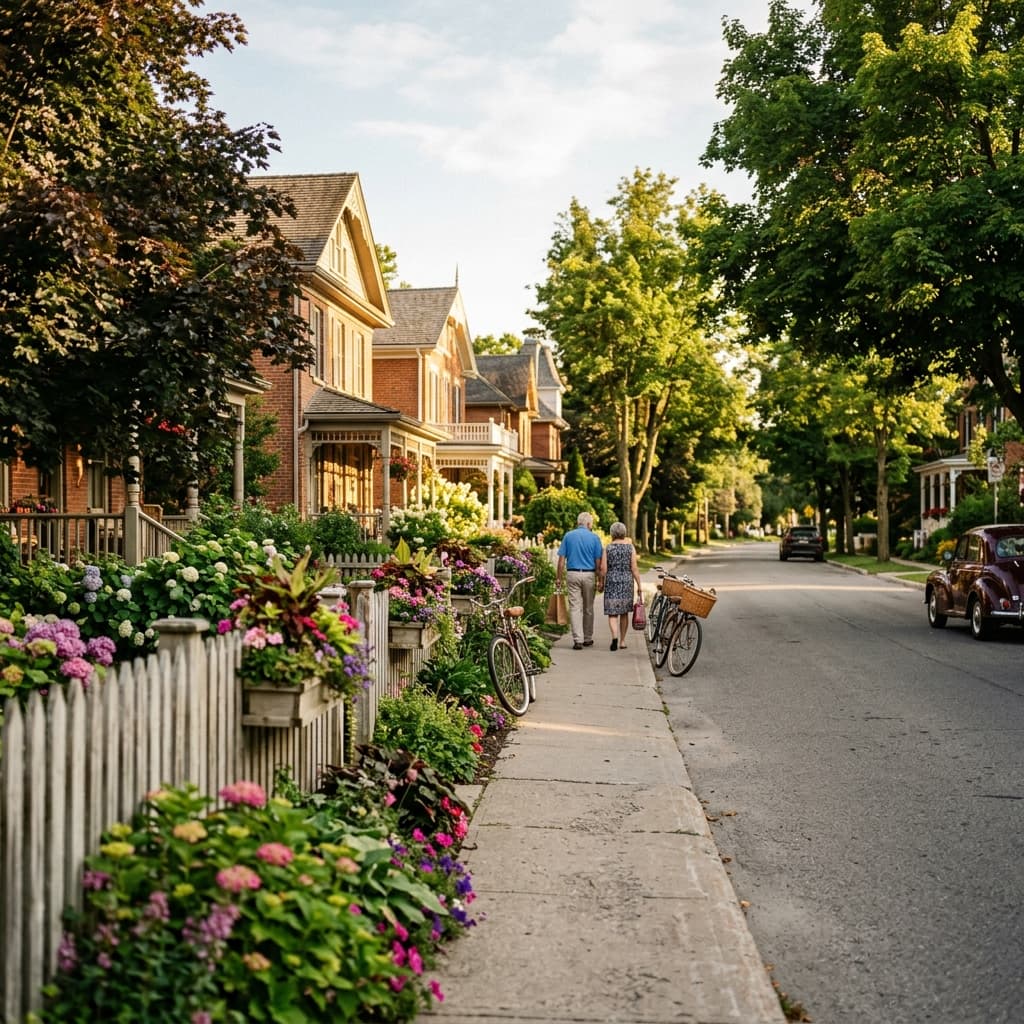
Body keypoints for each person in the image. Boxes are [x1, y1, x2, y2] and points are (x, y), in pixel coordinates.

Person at [555, 511, 604, 650]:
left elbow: (561, 561)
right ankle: (588, 638)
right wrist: (601, 580)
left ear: (578, 523)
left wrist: (558, 578)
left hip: (572, 574)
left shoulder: (568, 536)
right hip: (589, 575)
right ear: (588, 524)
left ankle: (578, 640)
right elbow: (598, 562)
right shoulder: (594, 538)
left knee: (575, 608)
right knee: (588, 608)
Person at [600, 522, 642, 651]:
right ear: (624, 533)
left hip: (612, 582)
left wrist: (601, 581)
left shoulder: (608, 548)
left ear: (612, 533)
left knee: (612, 614)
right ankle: (622, 641)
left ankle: (614, 637)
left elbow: (603, 568)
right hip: (626, 582)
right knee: (624, 613)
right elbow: (634, 568)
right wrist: (639, 585)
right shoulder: (630, 548)